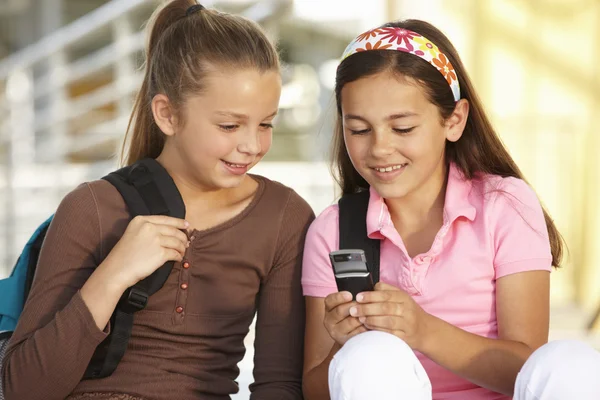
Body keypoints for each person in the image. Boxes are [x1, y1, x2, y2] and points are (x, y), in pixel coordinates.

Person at [1, 1, 314, 399]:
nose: (252, 145)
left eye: (266, 123)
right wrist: (112, 275)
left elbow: (279, 386)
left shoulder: (283, 218)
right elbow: (22, 389)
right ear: (167, 115)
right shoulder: (93, 207)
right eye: (229, 125)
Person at [301, 19, 600, 400]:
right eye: (359, 129)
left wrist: (423, 330)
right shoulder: (334, 230)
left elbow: (527, 370)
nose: (379, 148)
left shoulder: (504, 205)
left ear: (454, 120)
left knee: (571, 360)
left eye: (403, 128)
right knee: (369, 355)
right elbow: (312, 388)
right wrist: (343, 349)